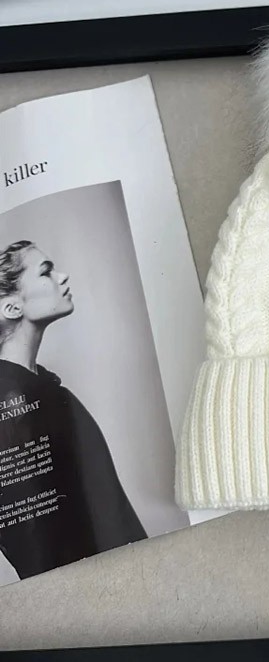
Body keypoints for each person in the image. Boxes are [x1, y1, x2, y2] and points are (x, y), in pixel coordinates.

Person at [0, 240, 146, 579]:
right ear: (12, 307)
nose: (63, 277)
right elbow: (30, 536)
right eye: (46, 272)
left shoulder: (44, 390)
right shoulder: (15, 399)